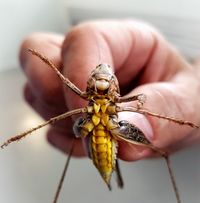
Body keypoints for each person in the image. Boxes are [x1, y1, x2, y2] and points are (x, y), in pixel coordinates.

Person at [19, 20, 200, 161]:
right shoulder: (84, 98)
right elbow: (65, 80)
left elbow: (140, 98)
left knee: (149, 139)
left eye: (107, 77)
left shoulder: (115, 101)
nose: (102, 79)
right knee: (76, 130)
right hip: (93, 131)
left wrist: (145, 100)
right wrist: (48, 62)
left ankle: (189, 125)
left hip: (114, 133)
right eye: (96, 77)